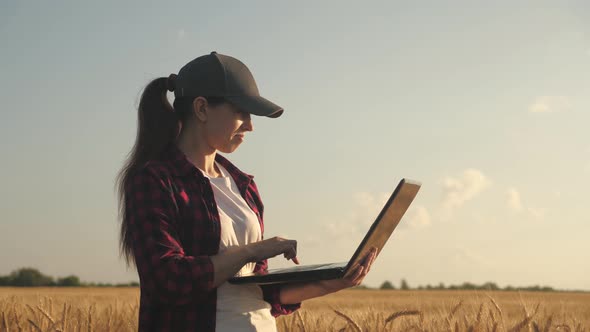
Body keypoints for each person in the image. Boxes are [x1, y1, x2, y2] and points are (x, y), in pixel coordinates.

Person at [116, 51, 377, 332]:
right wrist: (252, 250)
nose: (251, 126)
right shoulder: (154, 180)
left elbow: (255, 290)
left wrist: (331, 282)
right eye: (241, 112)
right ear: (202, 108)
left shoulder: (243, 185)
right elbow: (167, 280)